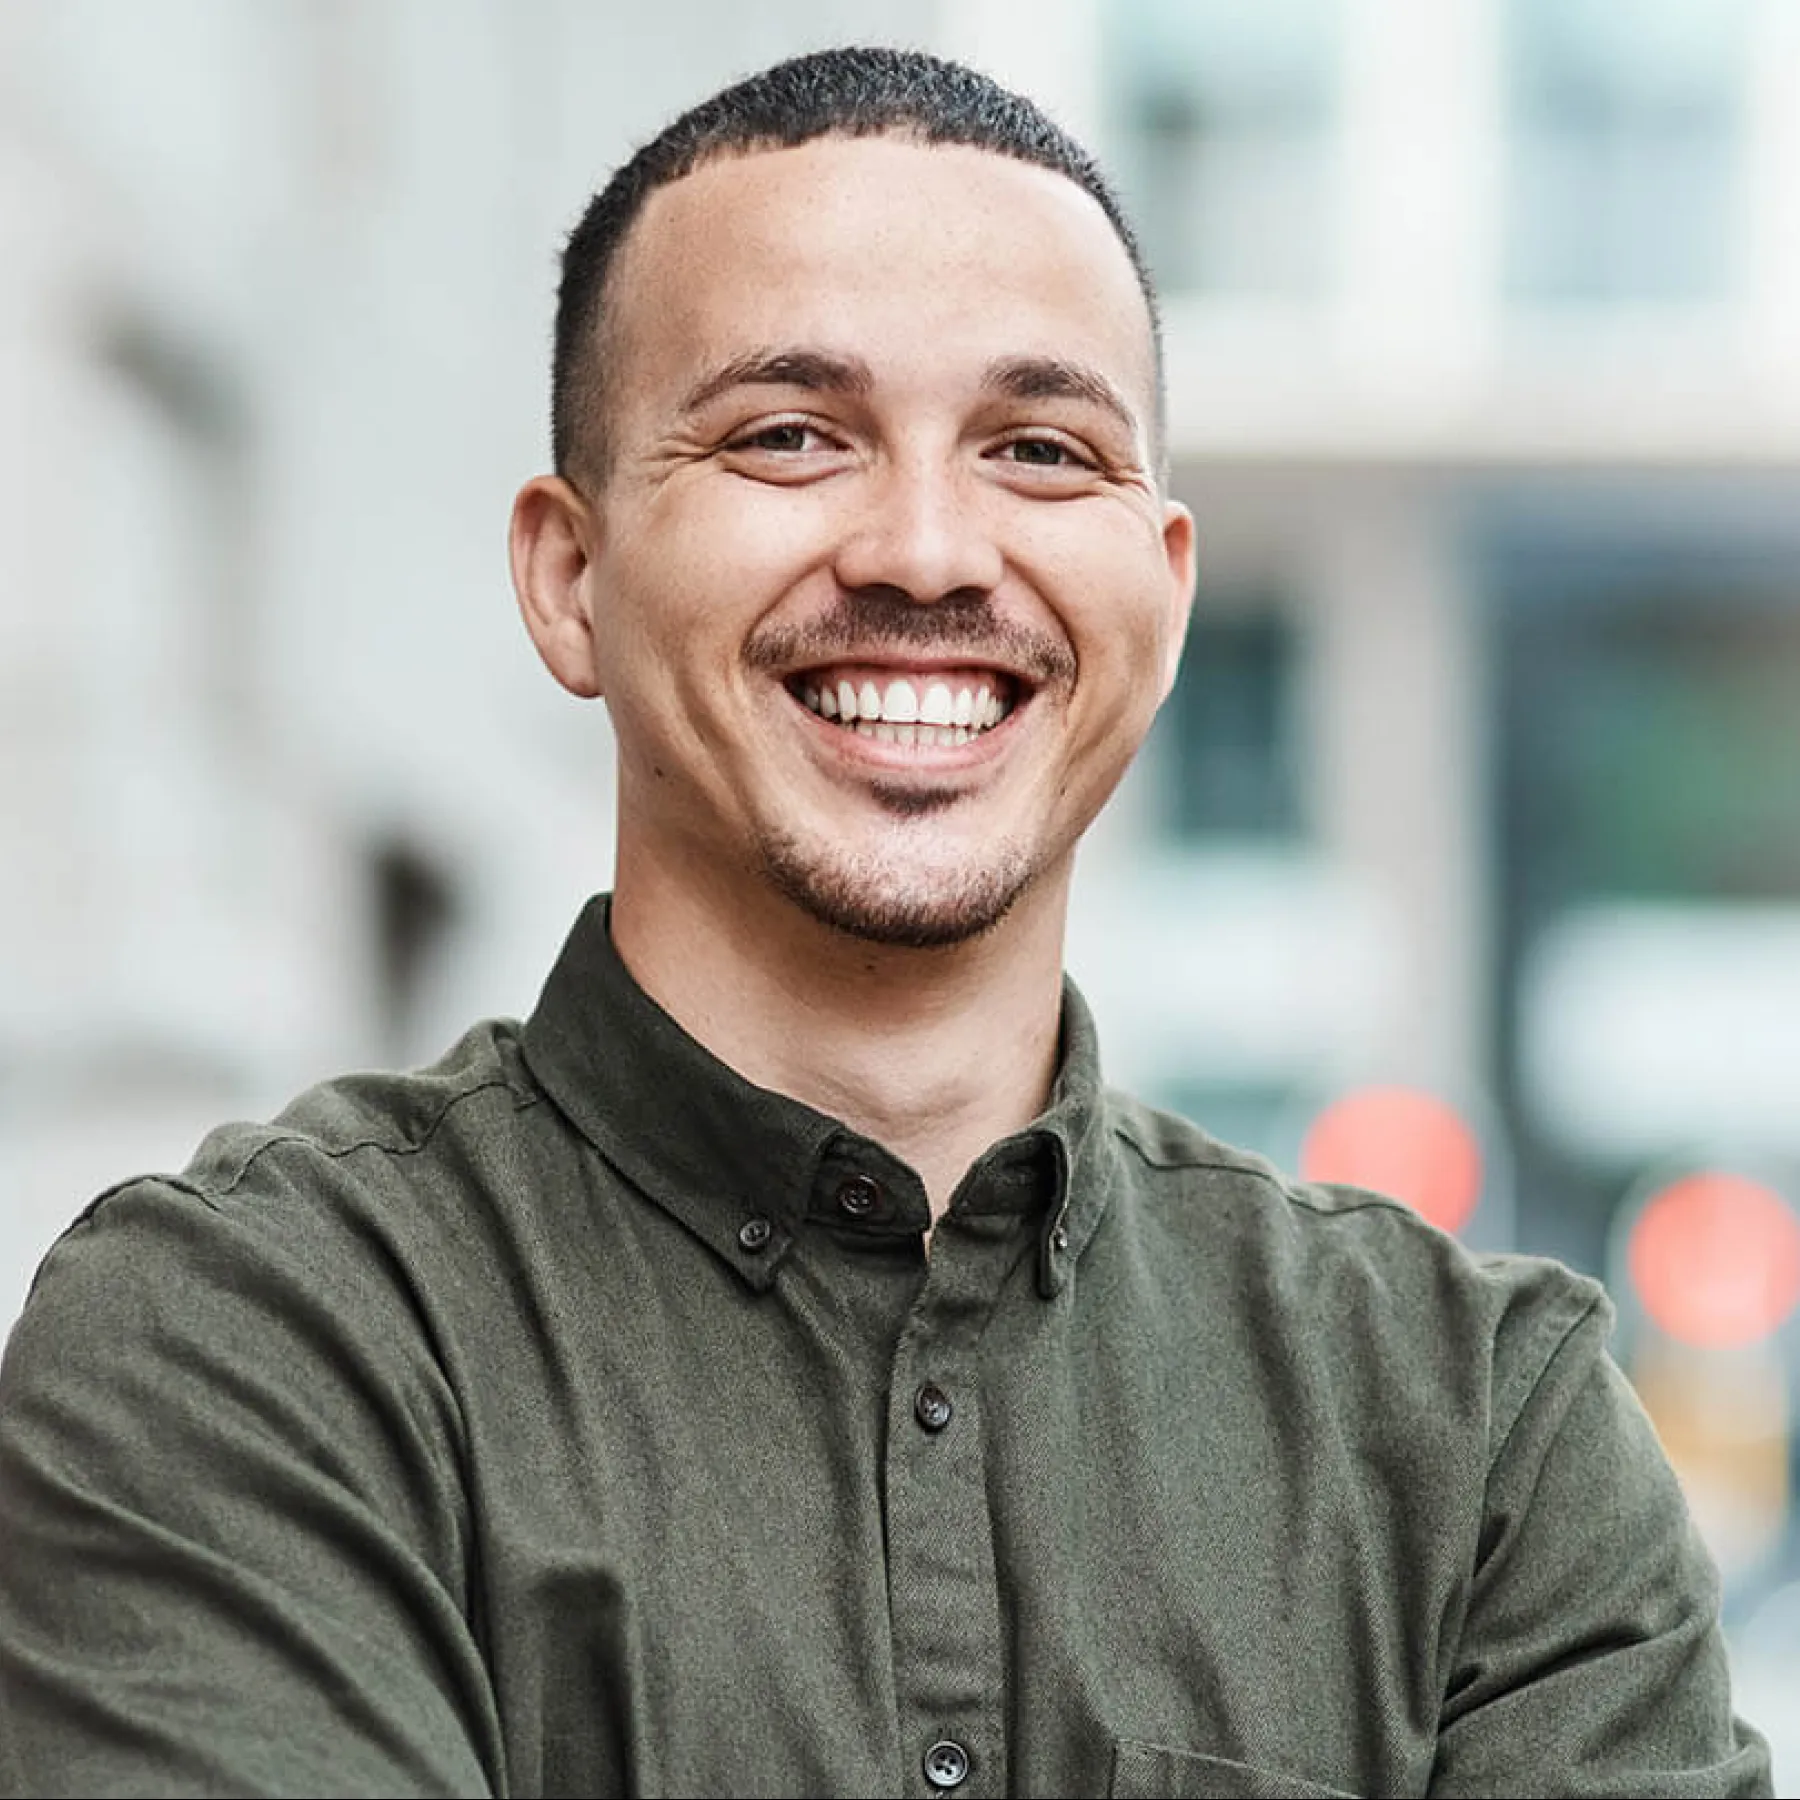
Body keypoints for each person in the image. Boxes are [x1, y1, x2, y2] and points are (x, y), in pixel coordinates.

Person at [0, 43, 1772, 1800]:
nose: (927, 550)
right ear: (570, 578)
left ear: (1163, 602)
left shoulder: (1485, 1434)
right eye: (790, 435)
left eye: (1040, 449)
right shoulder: (250, 1342)